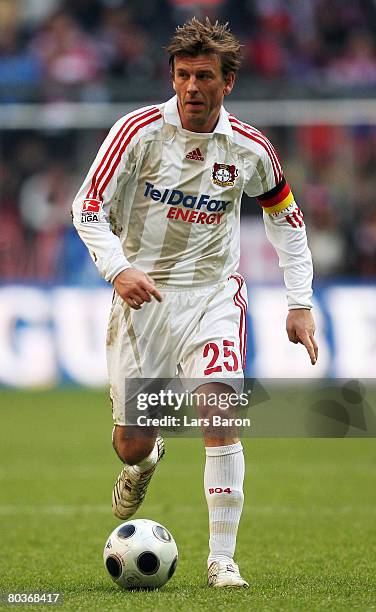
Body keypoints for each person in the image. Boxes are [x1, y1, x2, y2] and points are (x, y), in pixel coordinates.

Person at [72, 17, 318, 588]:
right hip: (142, 301)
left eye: (204, 76)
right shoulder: (136, 133)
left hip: (213, 296)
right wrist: (120, 268)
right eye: (182, 75)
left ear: (227, 81)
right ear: (172, 77)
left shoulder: (250, 149)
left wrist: (299, 301)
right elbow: (87, 207)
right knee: (130, 445)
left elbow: (287, 220)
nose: (191, 87)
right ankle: (147, 455)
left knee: (218, 412)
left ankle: (221, 561)